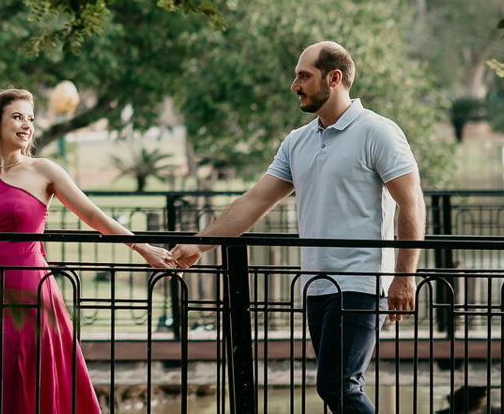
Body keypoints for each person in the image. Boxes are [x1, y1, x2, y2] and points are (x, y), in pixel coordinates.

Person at [168, 42, 424, 414]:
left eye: (304, 75)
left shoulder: (378, 132)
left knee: (338, 385)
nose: (295, 84)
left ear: (334, 78)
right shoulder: (297, 141)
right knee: (336, 387)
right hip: (316, 285)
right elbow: (253, 202)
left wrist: (404, 277)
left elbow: (411, 201)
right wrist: (200, 245)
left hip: (361, 283)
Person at [0, 87, 175, 414]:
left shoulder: (44, 171)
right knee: (1, 386)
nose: (26, 125)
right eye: (16, 117)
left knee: (39, 381)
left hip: (34, 292)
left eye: (30, 118)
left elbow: (94, 217)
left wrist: (145, 249)